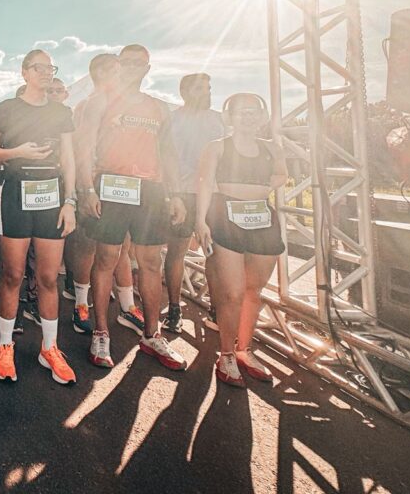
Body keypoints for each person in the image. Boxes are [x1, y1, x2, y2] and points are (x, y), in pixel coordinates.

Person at [78, 45, 188, 371]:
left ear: (147, 68)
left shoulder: (157, 107)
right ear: (118, 66)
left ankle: (152, 335)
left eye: (138, 64)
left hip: (150, 191)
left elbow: (167, 153)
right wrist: (85, 188)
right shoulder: (99, 102)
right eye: (126, 63)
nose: (131, 68)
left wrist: (176, 194)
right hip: (111, 187)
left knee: (151, 261)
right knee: (107, 259)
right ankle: (101, 332)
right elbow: (84, 149)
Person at [0, 50, 78, 385]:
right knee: (12, 275)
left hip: (51, 197)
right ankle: (5, 344)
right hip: (14, 193)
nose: (46, 73)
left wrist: (69, 201)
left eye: (50, 68)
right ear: (25, 71)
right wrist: (18, 153)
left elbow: (69, 159)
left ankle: (50, 348)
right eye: (39, 68)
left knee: (47, 278)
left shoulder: (62, 111)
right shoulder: (7, 108)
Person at [195, 93, 286, 387]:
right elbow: (205, 183)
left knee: (253, 291)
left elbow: (282, 175)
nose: (248, 117)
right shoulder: (217, 147)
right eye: (241, 111)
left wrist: (259, 189)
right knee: (232, 293)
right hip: (226, 218)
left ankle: (244, 350)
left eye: (254, 111)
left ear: (262, 116)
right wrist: (200, 221)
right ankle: (226, 355)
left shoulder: (273, 149)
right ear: (229, 116)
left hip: (262, 221)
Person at [68, 54, 142, 337]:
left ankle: (127, 305)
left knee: (120, 246)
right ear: (99, 73)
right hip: (96, 183)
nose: (120, 73)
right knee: (87, 246)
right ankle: (81, 303)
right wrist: (85, 188)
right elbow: (81, 149)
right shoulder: (88, 104)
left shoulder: (126, 104)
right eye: (113, 68)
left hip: (122, 184)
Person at [163, 73, 223, 333]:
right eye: (200, 88)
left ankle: (216, 308)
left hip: (214, 195)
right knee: (177, 252)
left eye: (209, 87)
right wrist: (173, 194)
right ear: (184, 91)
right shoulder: (172, 120)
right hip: (183, 193)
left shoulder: (217, 119)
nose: (207, 91)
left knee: (215, 253)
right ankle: (174, 308)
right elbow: (167, 160)